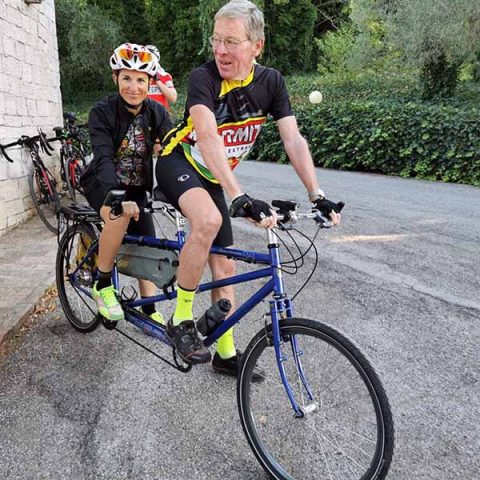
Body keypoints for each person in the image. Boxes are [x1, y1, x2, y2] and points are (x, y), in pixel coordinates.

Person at [156, 0, 343, 374]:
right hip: (179, 161)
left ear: (256, 44)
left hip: (213, 177)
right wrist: (238, 197)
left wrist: (316, 194)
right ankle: (181, 319)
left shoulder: (271, 82)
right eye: (216, 40)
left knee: (224, 267)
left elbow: (293, 140)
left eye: (231, 41)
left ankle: (225, 354)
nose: (220, 50)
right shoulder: (204, 78)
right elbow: (207, 137)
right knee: (208, 221)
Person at [80, 43, 172, 323]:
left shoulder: (157, 112)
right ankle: (103, 284)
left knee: (148, 245)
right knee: (118, 217)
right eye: (127, 78)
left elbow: (172, 151)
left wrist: (180, 191)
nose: (134, 87)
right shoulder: (102, 112)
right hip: (102, 182)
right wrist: (114, 196)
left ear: (150, 82)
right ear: (115, 79)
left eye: (141, 80)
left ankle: (149, 308)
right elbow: (104, 157)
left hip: (138, 186)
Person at [145, 45, 177, 111]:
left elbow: (173, 98)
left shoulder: (165, 75)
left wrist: (158, 81)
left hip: (161, 115)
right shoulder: (138, 76)